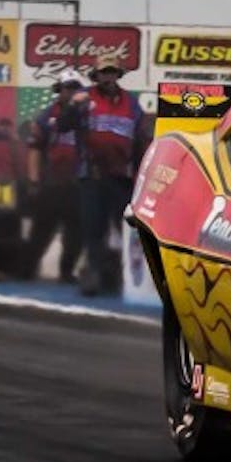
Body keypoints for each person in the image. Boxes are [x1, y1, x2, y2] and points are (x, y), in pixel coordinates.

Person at [59, 54, 146, 295]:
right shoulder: (84, 98)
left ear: (118, 74)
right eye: (103, 73)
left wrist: (140, 176)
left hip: (122, 177)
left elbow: (140, 140)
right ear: (95, 76)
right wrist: (72, 106)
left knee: (126, 229)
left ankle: (127, 279)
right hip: (92, 175)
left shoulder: (132, 103)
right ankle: (93, 275)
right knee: (93, 228)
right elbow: (63, 126)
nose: (107, 77)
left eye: (111, 72)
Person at [22, 74, 85, 282]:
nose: (70, 91)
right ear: (59, 89)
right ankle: (27, 270)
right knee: (41, 231)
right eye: (66, 87)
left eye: (75, 87)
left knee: (75, 233)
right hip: (51, 183)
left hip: (78, 183)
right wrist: (33, 180)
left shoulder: (88, 116)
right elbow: (34, 148)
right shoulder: (46, 115)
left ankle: (66, 273)